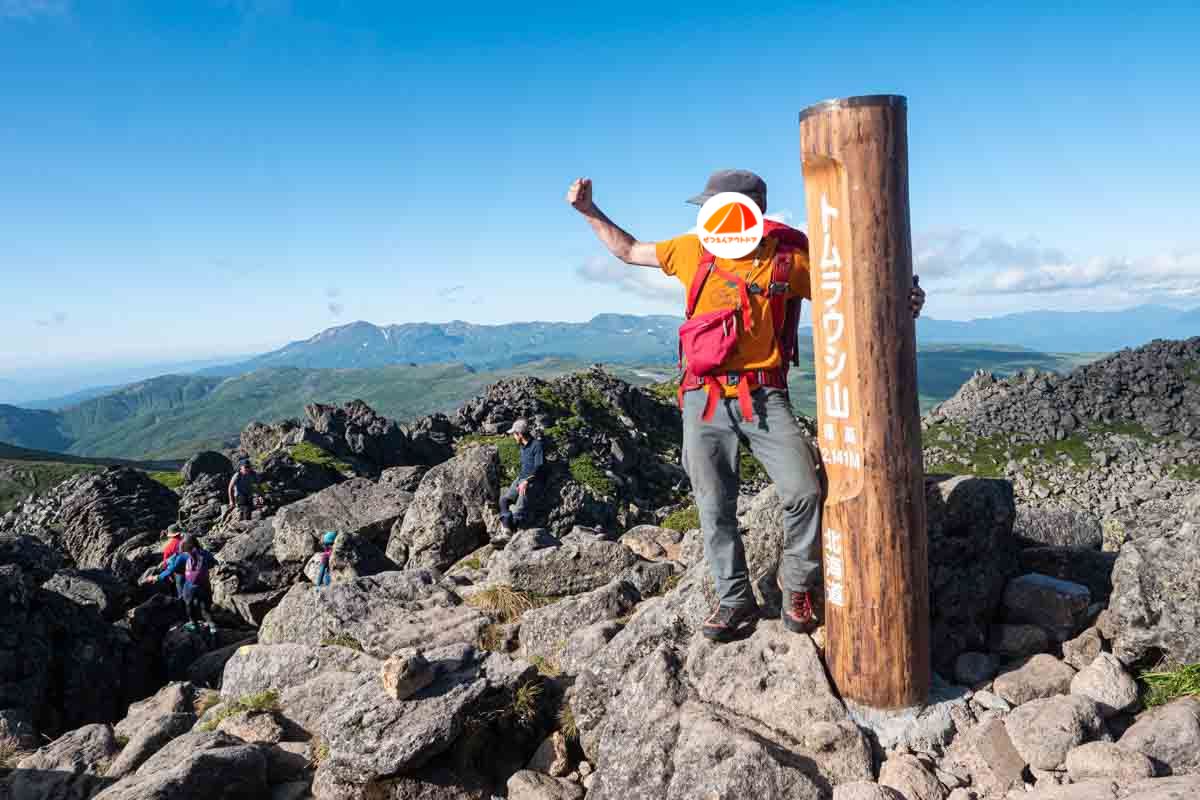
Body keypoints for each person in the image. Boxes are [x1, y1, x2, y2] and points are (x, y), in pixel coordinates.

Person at [566, 170, 925, 642]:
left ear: (746, 207)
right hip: (702, 396)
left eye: (712, 205)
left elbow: (855, 297)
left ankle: (794, 583)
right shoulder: (695, 248)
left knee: (804, 491)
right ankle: (735, 600)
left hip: (764, 395)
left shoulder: (787, 258)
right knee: (714, 507)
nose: (705, 215)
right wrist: (590, 212)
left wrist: (903, 299)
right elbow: (629, 251)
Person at [144, 534, 218, 634]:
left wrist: (155, 577)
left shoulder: (183, 556)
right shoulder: (205, 553)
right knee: (205, 608)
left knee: (189, 605)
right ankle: (213, 628)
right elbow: (214, 562)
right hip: (205, 585)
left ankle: (193, 624)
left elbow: (170, 570)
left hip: (190, 587)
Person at [499, 419, 544, 533]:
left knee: (518, 511)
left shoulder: (537, 445)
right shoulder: (522, 447)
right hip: (520, 478)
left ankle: (509, 532)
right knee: (504, 501)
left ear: (519, 434)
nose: (513, 436)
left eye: (514, 434)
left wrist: (527, 482)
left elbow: (539, 467)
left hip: (532, 482)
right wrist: (520, 480)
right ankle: (506, 529)